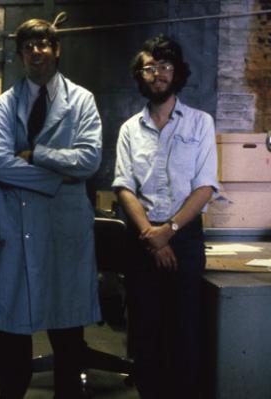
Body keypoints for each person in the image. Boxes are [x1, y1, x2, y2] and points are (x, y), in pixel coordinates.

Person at [0, 18, 102, 399]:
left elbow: (89, 160)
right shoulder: (5, 103)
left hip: (62, 226)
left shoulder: (81, 101)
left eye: (44, 44)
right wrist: (53, 178)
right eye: (29, 46)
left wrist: (37, 155)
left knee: (66, 329)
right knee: (12, 325)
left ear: (56, 49)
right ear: (19, 55)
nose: (37, 51)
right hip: (15, 224)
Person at [112, 35, 218, 399]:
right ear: (140, 75)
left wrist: (169, 232)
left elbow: (204, 187)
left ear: (177, 72)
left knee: (184, 333)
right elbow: (124, 188)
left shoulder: (200, 123)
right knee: (145, 335)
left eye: (166, 66)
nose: (158, 74)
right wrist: (151, 236)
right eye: (150, 67)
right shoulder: (129, 129)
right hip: (141, 241)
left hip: (184, 240)